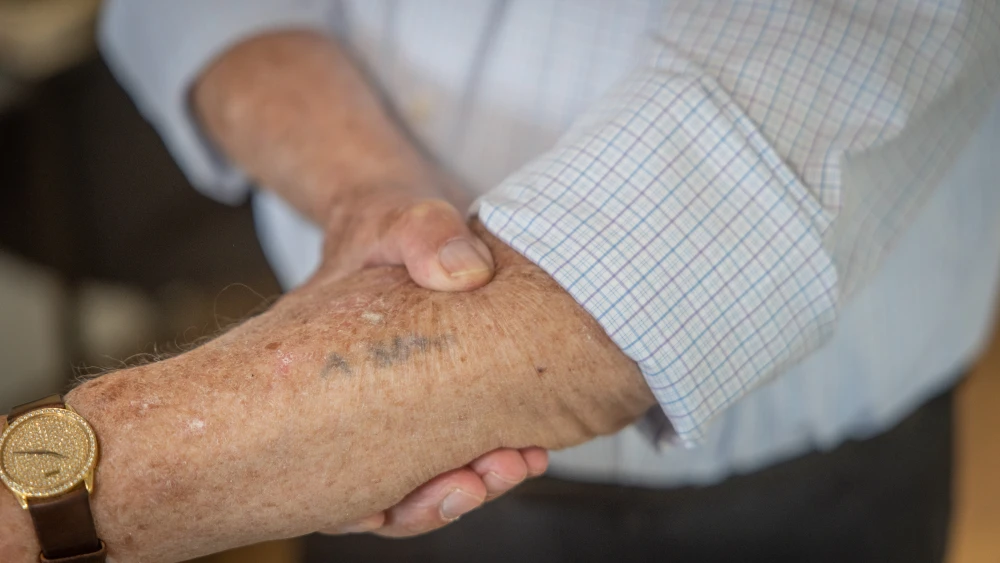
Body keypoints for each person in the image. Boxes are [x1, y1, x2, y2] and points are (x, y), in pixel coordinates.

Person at [2, 1, 998, 562]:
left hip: (798, 485)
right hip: (365, 485)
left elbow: (757, 152)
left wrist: (49, 506)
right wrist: (364, 185)